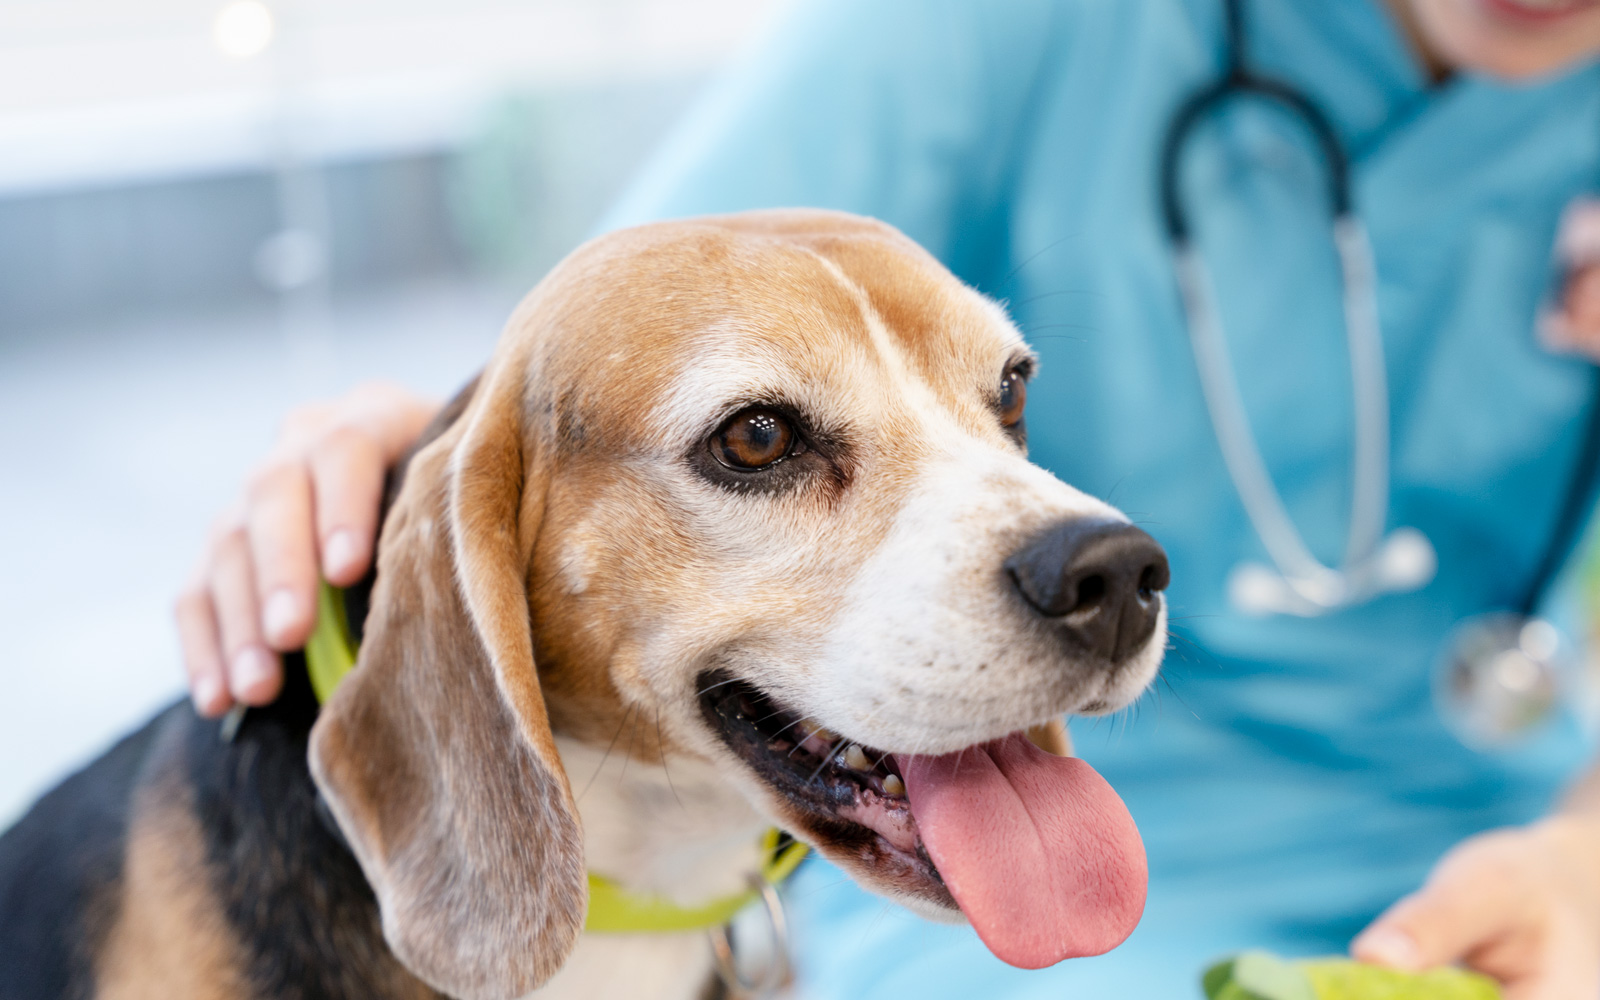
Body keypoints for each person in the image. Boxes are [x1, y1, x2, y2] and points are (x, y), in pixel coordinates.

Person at [173, 1, 1600, 996]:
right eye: (764, 445)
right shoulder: (997, 23)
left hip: (1522, 830)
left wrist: (1585, 867)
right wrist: (424, 452)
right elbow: (627, 349)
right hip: (1008, 805)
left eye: (1006, 393)